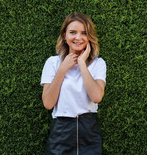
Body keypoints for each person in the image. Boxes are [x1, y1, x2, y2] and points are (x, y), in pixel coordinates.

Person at [41, 12, 107, 155]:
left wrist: (82, 63)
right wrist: (63, 68)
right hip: (61, 133)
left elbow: (96, 96)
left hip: (89, 132)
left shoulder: (98, 64)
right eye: (72, 32)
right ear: (65, 35)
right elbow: (48, 103)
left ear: (89, 36)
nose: (78, 37)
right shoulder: (52, 63)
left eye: (84, 33)